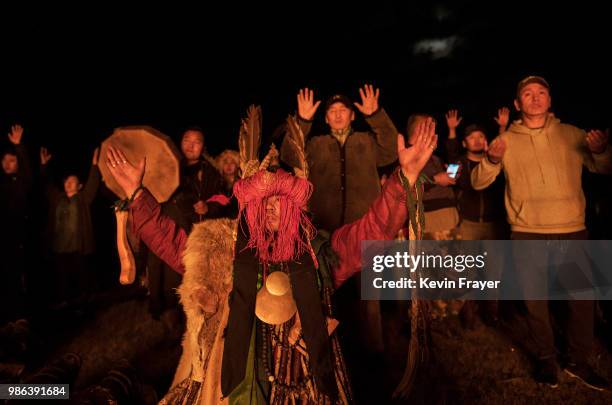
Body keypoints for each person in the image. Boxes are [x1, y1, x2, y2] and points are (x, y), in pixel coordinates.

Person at [104, 117, 437, 404]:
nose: (271, 207)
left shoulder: (318, 249)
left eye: (280, 200)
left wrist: (402, 182)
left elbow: (374, 230)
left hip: (304, 379)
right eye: (263, 201)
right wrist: (137, 196)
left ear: (294, 207)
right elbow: (169, 241)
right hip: (233, 373)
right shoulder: (221, 244)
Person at [472, 75, 612, 390]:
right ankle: (547, 360)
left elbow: (604, 167)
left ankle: (579, 361)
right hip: (527, 233)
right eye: (527, 93)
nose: (535, 97)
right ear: (517, 104)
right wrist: (492, 160)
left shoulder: (572, 134)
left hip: (572, 230)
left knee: (581, 301)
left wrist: (602, 152)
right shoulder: (506, 140)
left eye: (541, 92)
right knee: (535, 302)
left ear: (550, 100)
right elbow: (478, 182)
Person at [281, 85, 398, 232]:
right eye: (332, 111)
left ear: (353, 115)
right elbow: (289, 156)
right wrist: (302, 121)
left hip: (366, 226)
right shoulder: (316, 144)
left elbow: (392, 150)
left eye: (343, 110)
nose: (338, 115)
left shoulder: (367, 141)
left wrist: (375, 116)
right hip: (323, 230)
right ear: (326, 119)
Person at [40, 147, 100, 306]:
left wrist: (94, 165)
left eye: (72, 181)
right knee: (61, 277)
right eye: (67, 181)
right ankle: (64, 301)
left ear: (79, 186)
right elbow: (47, 185)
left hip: (77, 247)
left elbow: (93, 184)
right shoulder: (56, 198)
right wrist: (44, 166)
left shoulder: (83, 199)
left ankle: (83, 301)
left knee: (81, 275)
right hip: (58, 247)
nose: (68, 183)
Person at [0, 125, 32, 322]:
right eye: (3, 160)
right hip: (5, 240)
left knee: (23, 276)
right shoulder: (1, 185)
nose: (6, 163)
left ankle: (24, 314)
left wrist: (19, 147)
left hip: (22, 237)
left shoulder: (22, 182)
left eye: (11, 161)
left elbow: (28, 173)